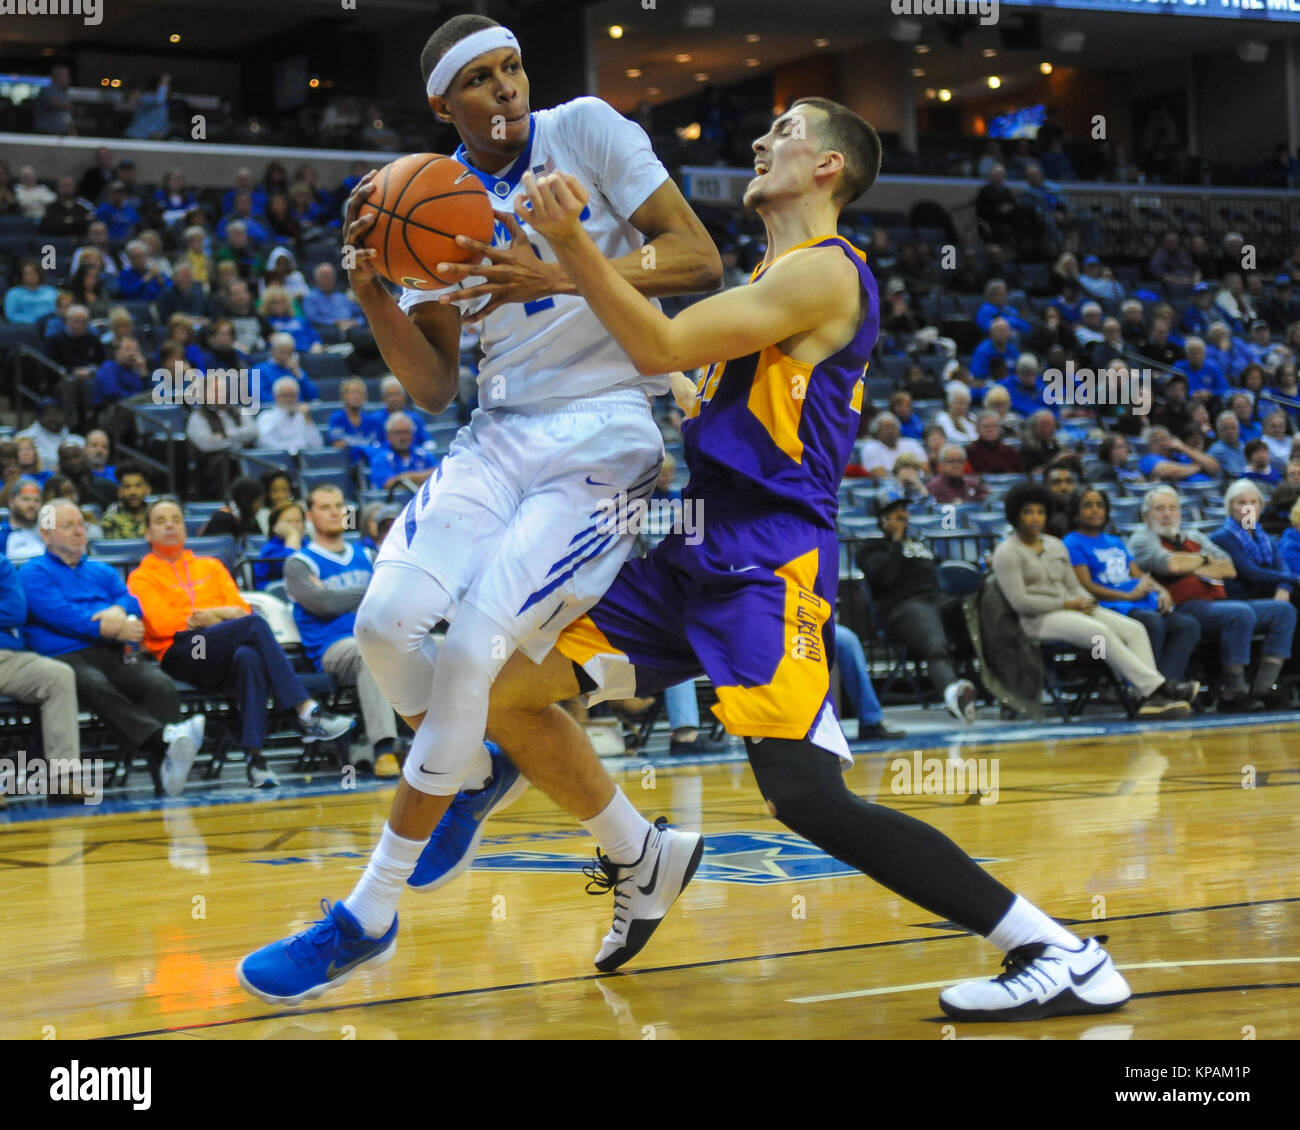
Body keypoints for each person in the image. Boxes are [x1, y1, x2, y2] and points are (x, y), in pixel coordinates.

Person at [240, 85, 1138, 1024]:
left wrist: (569, 241)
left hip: (767, 561)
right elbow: (674, 370)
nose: (762, 139)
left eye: (785, 132)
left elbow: (661, 343)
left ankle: (1051, 948)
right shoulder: (761, 280)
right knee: (504, 688)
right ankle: (638, 853)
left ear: (829, 166)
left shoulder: (828, 273)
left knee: (805, 800)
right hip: (691, 543)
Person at [240, 10, 729, 1004]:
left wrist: (559, 268)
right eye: (484, 78)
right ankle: (545, 807)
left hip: (606, 433)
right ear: (443, 105)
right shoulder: (425, 195)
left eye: (514, 68)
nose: (509, 88)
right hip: (497, 431)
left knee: (472, 656)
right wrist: (376, 291)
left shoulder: (586, 128)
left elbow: (697, 261)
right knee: (384, 627)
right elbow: (430, 387)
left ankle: (366, 912)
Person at [128, 499, 353, 789]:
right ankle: (305, 709)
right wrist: (220, 616)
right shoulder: (141, 576)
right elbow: (162, 624)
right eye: (160, 521)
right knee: (254, 627)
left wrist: (211, 617)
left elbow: (241, 610)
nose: (170, 525)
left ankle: (256, 760)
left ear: (185, 528)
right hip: (182, 653)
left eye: (175, 519)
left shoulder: (211, 566)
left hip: (220, 651)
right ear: (148, 533)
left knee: (249, 656)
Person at [22, 499, 205, 796]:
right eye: (68, 526)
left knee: (159, 684)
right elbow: (58, 614)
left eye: (80, 525)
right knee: (94, 684)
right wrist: (104, 626)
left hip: (111, 652)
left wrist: (119, 614)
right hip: (64, 657)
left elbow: (130, 600)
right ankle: (164, 739)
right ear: (45, 534)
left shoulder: (101, 570)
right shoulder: (34, 572)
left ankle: (167, 779)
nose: (78, 531)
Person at [992, 483, 1192, 719]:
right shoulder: (1007, 553)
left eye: (1040, 512)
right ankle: (1157, 689)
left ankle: (1146, 699)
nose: (1035, 518)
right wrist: (1067, 604)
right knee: (1100, 633)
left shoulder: (1054, 545)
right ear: (1015, 515)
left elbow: (1073, 585)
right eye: (1028, 512)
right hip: (1035, 620)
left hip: (1072, 609)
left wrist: (1085, 601)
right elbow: (1020, 602)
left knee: (1135, 629)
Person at [1128, 485, 1294, 711]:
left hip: (1218, 603)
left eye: (1172, 508)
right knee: (1240, 613)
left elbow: (1228, 568)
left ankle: (1264, 688)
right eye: (1159, 509)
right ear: (1145, 515)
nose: (1167, 514)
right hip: (1184, 606)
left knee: (1283, 611)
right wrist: (1204, 562)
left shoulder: (1193, 536)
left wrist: (1192, 562)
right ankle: (1233, 692)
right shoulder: (1142, 539)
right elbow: (1171, 564)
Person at [286, 485, 403, 777]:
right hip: (336, 647)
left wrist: (345, 596)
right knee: (370, 653)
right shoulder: (299, 563)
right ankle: (384, 750)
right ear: (310, 515)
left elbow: (396, 592)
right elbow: (323, 604)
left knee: (446, 645)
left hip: (385, 637)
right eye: (325, 507)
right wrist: (372, 589)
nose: (335, 512)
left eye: (339, 505)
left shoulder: (365, 552)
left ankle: (459, 739)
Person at [1063, 487, 1200, 693]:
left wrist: (1162, 591)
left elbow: (1138, 575)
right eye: (1088, 506)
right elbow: (1087, 587)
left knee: (1186, 625)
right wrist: (1128, 595)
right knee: (1151, 621)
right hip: (1106, 606)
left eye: (1099, 505)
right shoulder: (1072, 543)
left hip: (1134, 602)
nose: (1095, 510)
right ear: (1075, 512)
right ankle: (1141, 689)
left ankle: (1167, 685)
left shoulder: (1115, 541)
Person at [861, 491, 978, 723]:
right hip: (904, 607)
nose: (903, 516)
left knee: (979, 616)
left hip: (938, 601)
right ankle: (953, 694)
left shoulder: (918, 544)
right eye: (895, 513)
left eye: (904, 510)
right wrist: (895, 542)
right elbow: (883, 578)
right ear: (881, 519)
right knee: (935, 645)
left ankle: (1004, 691)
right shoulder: (869, 548)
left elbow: (942, 566)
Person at [0, 555, 83, 793]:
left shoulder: (1, 564)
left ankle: (63, 777)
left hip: (8, 657)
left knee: (58, 675)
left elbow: (15, 610)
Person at [367, 412, 437, 491]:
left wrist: (405, 478)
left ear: (412, 435)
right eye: (398, 433)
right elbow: (390, 485)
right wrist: (422, 478)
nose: (402, 437)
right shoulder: (380, 459)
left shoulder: (424, 455)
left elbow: (437, 476)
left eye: (406, 432)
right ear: (388, 436)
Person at [256, 377, 324, 453]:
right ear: (276, 397)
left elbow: (317, 446)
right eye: (285, 395)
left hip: (303, 461)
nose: (289, 399)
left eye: (293, 395)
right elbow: (266, 444)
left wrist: (308, 420)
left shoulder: (303, 416)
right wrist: (293, 450)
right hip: (277, 461)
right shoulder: (267, 417)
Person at [854, 411, 925, 479]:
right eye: (886, 428)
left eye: (893, 427)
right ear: (877, 432)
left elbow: (925, 469)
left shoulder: (911, 443)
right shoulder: (870, 448)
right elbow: (881, 478)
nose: (890, 431)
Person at [1138, 425, 1219, 484]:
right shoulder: (1148, 459)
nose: (1162, 443)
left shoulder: (1182, 456)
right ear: (1149, 447)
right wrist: (1196, 467)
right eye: (1156, 441)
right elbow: (1166, 471)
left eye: (1164, 439)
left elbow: (1214, 467)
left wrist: (1183, 447)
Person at [254, 332, 320, 403]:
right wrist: (287, 404)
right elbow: (258, 397)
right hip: (271, 411)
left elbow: (314, 396)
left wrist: (299, 375)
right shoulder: (258, 370)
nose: (285, 357)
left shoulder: (296, 370)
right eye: (282, 353)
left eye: (289, 353)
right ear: (273, 351)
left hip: (297, 411)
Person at [254, 500, 306, 589]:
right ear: (275, 526)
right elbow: (291, 569)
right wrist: (292, 536)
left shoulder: (307, 543)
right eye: (289, 522)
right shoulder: (270, 549)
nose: (294, 526)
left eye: (298, 521)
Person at [327, 377, 384, 457]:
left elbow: (381, 446)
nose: (356, 396)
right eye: (352, 393)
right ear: (344, 396)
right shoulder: (336, 419)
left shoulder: (374, 421)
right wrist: (366, 448)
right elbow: (338, 445)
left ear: (365, 397)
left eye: (360, 393)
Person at [17, 399, 83, 469]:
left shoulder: (77, 440)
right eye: (47, 414)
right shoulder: (25, 437)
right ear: (39, 417)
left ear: (62, 415)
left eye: (55, 413)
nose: (52, 418)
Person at [100, 460, 152, 540]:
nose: (133, 492)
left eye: (138, 486)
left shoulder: (155, 514)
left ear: (147, 489)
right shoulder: (110, 517)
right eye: (127, 487)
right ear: (119, 491)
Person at [199, 477, 265, 540]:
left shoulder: (249, 517)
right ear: (246, 501)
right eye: (259, 502)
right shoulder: (222, 519)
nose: (261, 506)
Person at [1, 478, 46, 563]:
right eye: (25, 499)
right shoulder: (2, 535)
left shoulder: (49, 533)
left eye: (37, 500)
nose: (32, 505)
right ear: (11, 501)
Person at [4, 259, 59, 326]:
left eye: (33, 273)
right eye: (27, 274)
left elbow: (58, 311)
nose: (30, 277)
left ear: (39, 274)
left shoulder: (52, 291)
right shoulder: (13, 293)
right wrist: (34, 321)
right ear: (21, 276)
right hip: (25, 328)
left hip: (50, 326)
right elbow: (11, 316)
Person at [964, 409, 1020, 474]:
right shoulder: (970, 451)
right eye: (986, 427)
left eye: (994, 426)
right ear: (977, 429)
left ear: (999, 429)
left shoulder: (1010, 451)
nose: (991, 430)